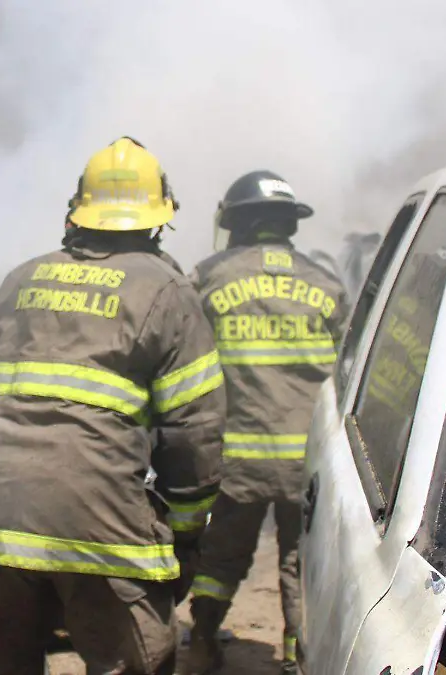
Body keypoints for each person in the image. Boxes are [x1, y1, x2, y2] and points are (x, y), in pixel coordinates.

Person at [0, 137, 227, 675]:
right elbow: (195, 432)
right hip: (102, 526)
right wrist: (186, 534)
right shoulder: (168, 292)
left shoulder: (19, 281)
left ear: (76, 211)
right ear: (158, 219)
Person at [184, 170, 350, 675]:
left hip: (237, 459)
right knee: (301, 562)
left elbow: (182, 362)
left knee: (221, 558)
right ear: (287, 225)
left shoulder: (209, 279)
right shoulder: (327, 285)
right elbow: (350, 372)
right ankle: (298, 654)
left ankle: (204, 641)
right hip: (309, 462)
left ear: (236, 222)